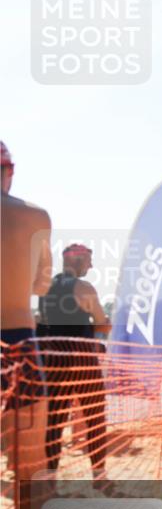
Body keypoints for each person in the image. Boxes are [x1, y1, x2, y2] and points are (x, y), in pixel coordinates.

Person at [37, 243, 112, 480]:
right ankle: (99, 477)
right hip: (82, 359)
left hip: (53, 360)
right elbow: (101, 323)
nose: (91, 265)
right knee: (95, 419)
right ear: (77, 260)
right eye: (88, 260)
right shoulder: (84, 287)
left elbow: (41, 321)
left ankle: (50, 480)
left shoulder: (43, 288)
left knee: (54, 423)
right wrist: (103, 324)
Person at [1, 139, 52, 481]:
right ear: (9, 171)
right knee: (28, 462)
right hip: (18, 341)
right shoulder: (35, 216)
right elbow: (40, 285)